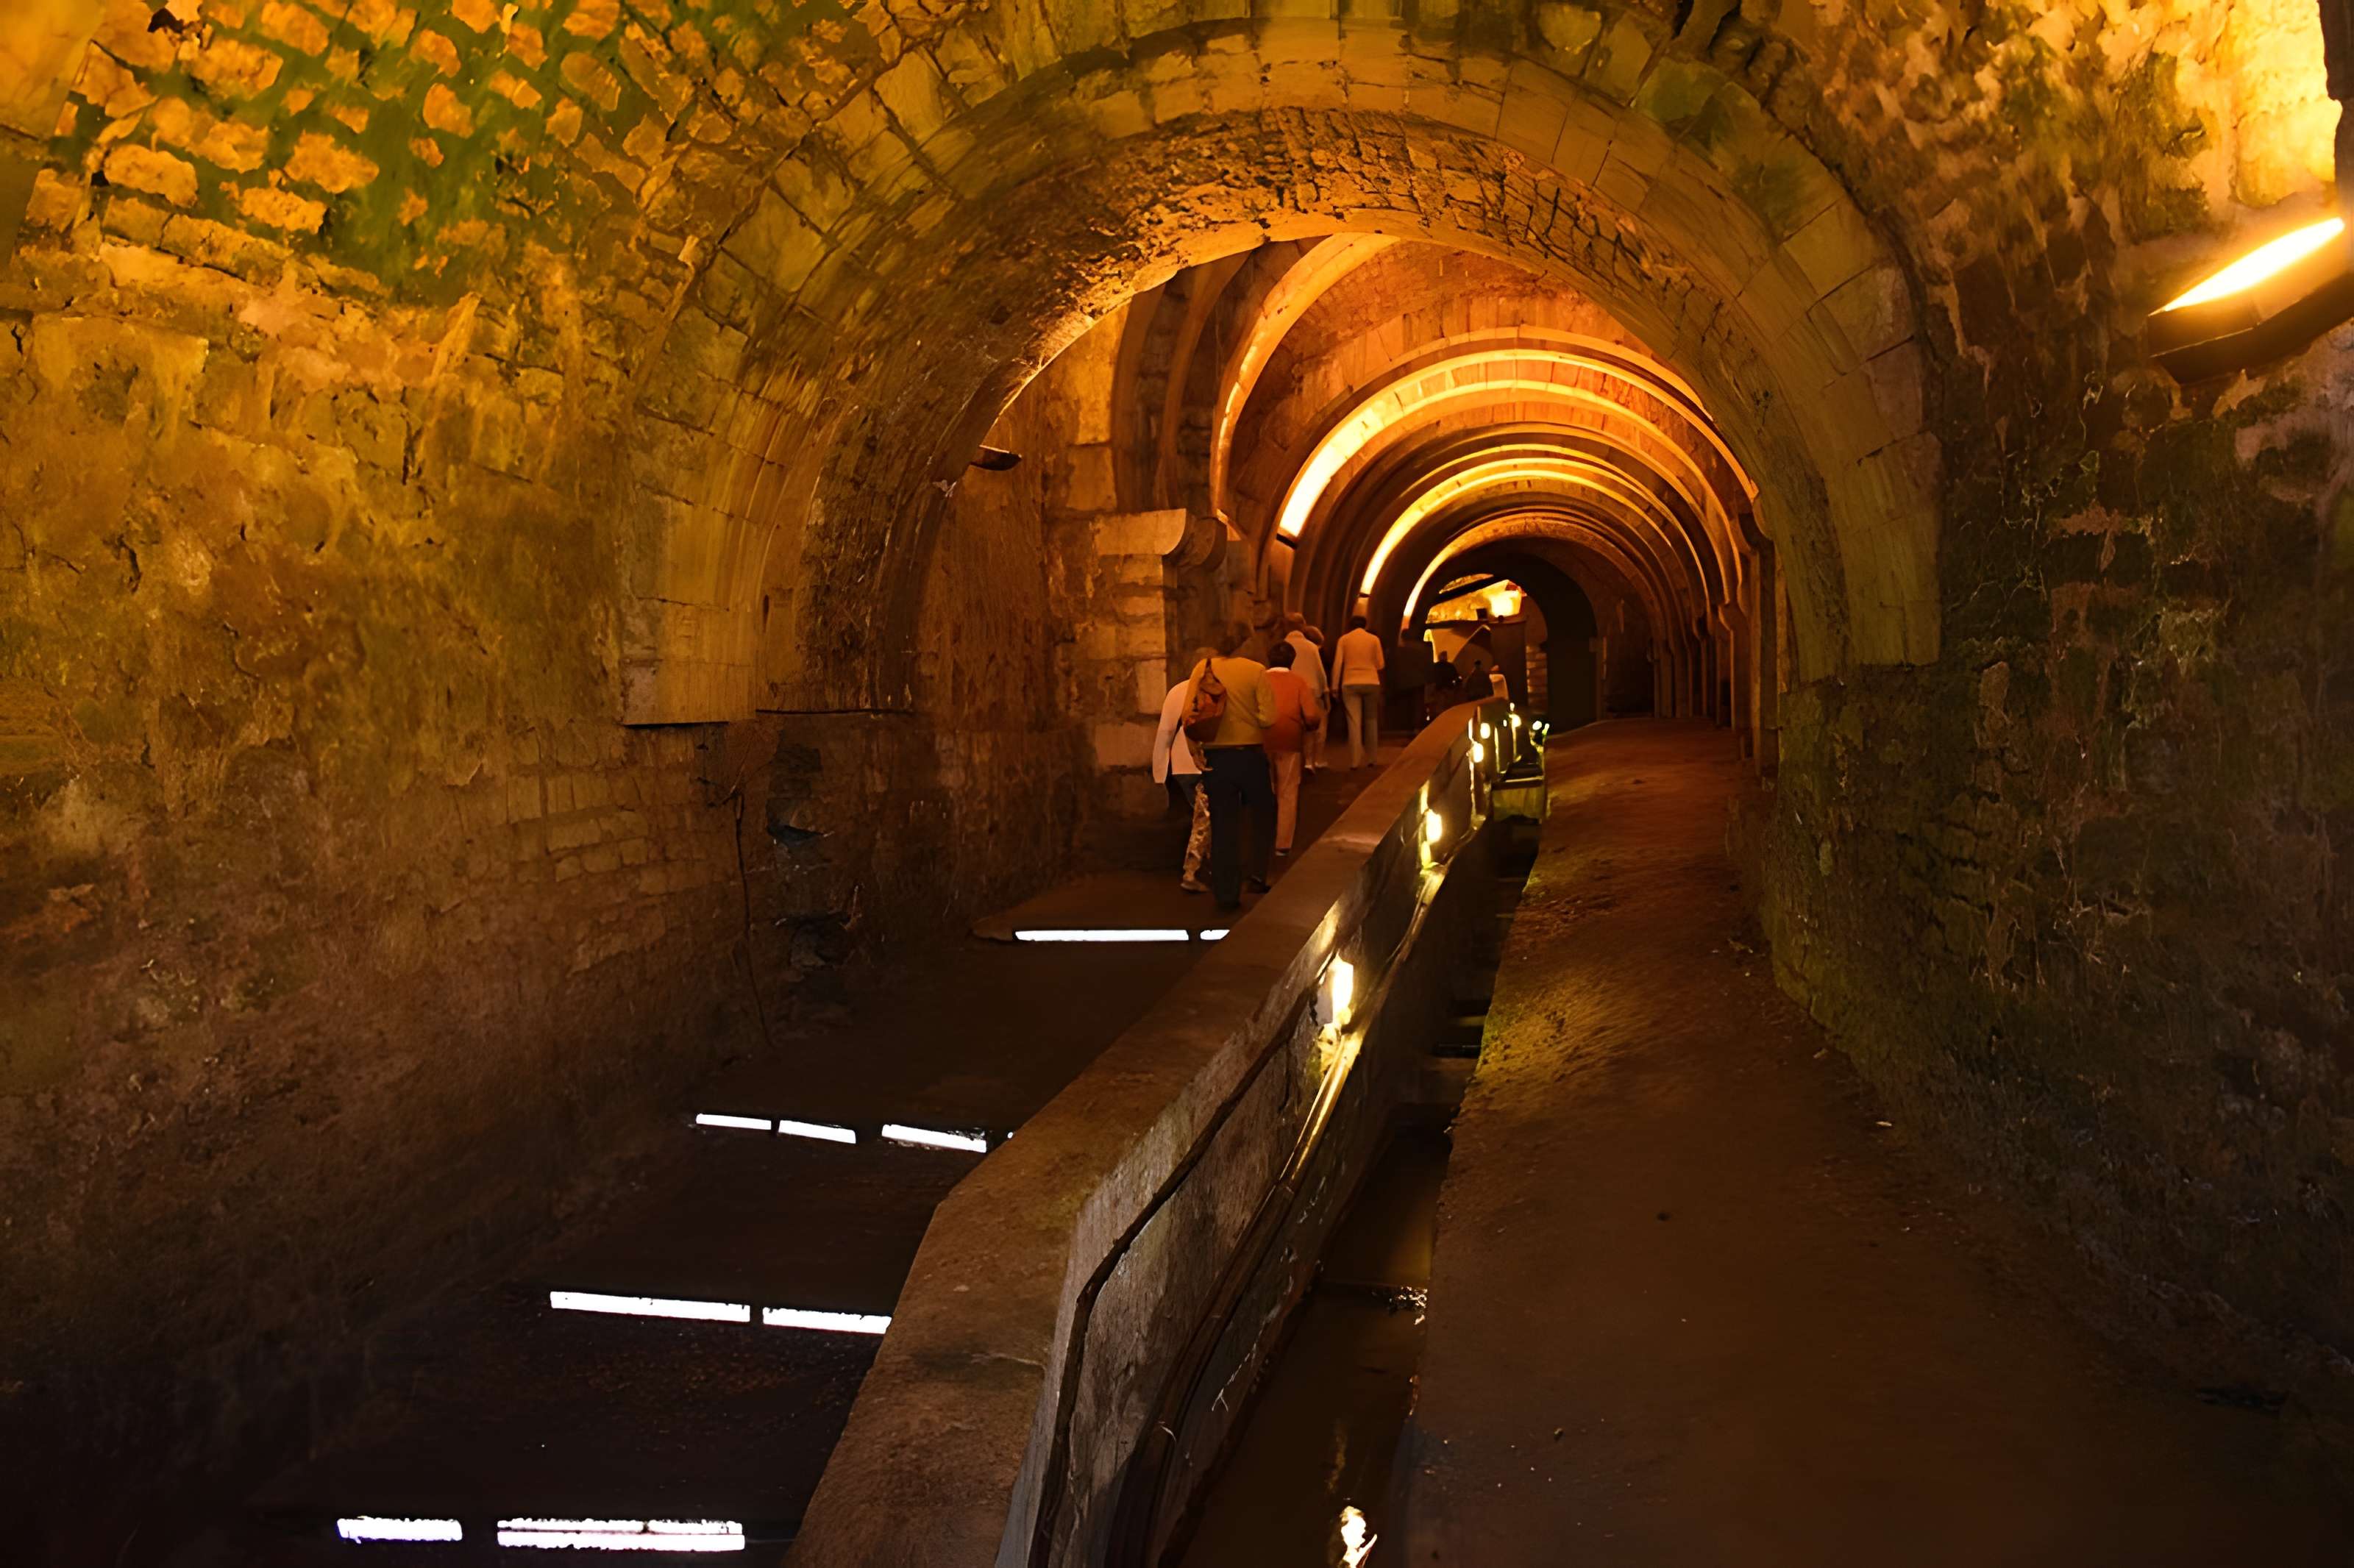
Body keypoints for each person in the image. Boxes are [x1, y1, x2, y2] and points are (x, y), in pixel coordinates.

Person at [1187, 630, 1279, 911]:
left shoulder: (1204, 669)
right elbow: (1268, 718)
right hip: (1249, 755)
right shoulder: (1256, 671)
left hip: (1217, 757)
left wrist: (1195, 751)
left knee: (1225, 824)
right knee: (1262, 815)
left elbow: (1188, 715)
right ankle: (1257, 875)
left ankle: (1226, 892)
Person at [1151, 655, 1215, 894]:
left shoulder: (1177, 690)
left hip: (1180, 765)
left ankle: (1206, 868)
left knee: (1203, 816)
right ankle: (1194, 870)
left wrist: (1160, 771)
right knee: (1205, 819)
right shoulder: (1217, 692)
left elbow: (1166, 731)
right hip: (1205, 763)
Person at [1264, 641, 1323, 855]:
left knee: (1264, 790)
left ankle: (1262, 838)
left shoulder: (1259, 680)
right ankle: (1282, 844)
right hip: (1290, 741)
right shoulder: (1298, 682)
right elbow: (1311, 715)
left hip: (1261, 740)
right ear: (1292, 661)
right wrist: (1311, 727)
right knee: (1288, 791)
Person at [1332, 614, 1387, 769]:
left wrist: (1334, 686)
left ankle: (1355, 761)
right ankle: (1372, 758)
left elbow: (1338, 664)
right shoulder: (1374, 639)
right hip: (1371, 681)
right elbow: (1381, 664)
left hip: (1350, 682)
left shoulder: (1344, 640)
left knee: (1354, 722)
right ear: (1365, 625)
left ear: (1350, 625)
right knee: (1371, 721)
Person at [1281, 614, 1330, 773]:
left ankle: (1296, 762)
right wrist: (1326, 693)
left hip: (1289, 689)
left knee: (1294, 727)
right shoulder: (1311, 647)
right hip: (1312, 689)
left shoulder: (1282, 645)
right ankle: (1311, 761)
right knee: (1313, 727)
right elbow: (1320, 672)